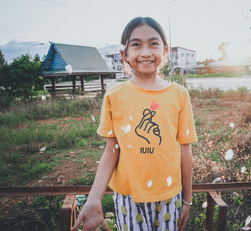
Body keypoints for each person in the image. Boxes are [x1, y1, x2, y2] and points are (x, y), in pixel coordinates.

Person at [71, 17, 197, 231]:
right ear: (124, 54)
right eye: (136, 44)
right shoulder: (114, 95)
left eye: (153, 43)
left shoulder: (179, 94)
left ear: (165, 51)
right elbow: (111, 150)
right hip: (129, 198)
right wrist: (94, 198)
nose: (145, 52)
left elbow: (186, 151)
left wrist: (187, 199)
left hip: (170, 196)